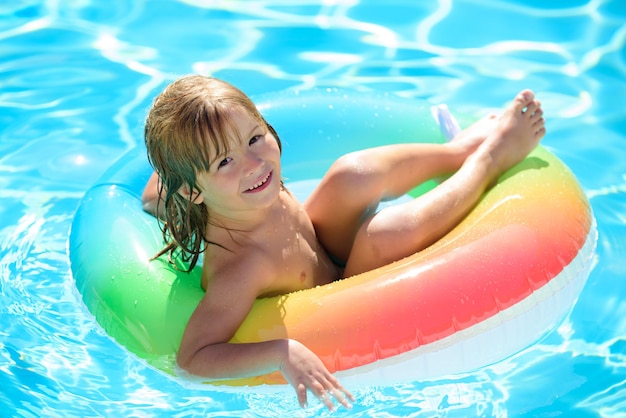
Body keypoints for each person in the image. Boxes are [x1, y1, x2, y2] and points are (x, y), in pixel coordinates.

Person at [142, 75, 545, 411]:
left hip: (322, 247)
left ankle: (455, 153)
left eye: (254, 138)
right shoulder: (241, 267)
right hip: (336, 296)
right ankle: (489, 159)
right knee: (381, 236)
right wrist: (281, 351)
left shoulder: (243, 187)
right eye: (224, 162)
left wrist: (178, 190)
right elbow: (192, 360)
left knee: (352, 173)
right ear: (193, 192)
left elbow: (154, 192)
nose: (254, 164)